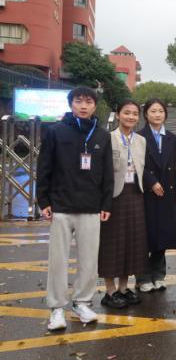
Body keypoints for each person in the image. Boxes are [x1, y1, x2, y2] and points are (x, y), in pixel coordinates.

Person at [37, 86, 114, 330]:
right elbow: (44, 167)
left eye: (88, 101)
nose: (83, 105)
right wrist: (43, 201)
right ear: (71, 104)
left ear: (94, 106)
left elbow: (108, 173)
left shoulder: (102, 135)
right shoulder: (55, 131)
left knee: (89, 260)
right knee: (58, 260)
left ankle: (82, 302)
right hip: (61, 205)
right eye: (78, 101)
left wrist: (106, 203)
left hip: (91, 206)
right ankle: (57, 308)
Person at [99, 99, 148, 309]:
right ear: (118, 114)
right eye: (126, 112)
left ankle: (123, 288)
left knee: (131, 242)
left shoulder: (141, 140)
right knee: (111, 243)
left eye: (135, 114)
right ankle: (110, 291)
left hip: (135, 193)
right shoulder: (108, 138)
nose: (131, 117)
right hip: (114, 196)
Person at [136, 98, 176, 293]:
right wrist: (150, 181)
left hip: (167, 191)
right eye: (153, 111)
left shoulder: (172, 138)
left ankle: (159, 275)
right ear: (146, 114)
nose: (157, 114)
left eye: (160, 111)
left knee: (162, 234)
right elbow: (136, 163)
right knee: (145, 235)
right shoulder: (139, 136)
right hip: (147, 191)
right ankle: (143, 277)